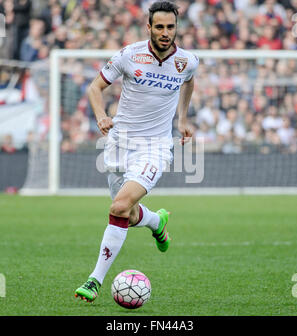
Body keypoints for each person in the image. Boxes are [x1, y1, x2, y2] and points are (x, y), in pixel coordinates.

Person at [75, 0, 199, 302]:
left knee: (117, 208)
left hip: (155, 148)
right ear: (149, 27)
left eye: (170, 27)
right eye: (160, 27)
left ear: (176, 27)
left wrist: (182, 119)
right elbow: (94, 88)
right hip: (119, 144)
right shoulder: (129, 55)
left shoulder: (187, 61)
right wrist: (101, 115)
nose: (165, 32)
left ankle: (94, 280)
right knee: (127, 215)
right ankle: (157, 222)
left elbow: (189, 82)